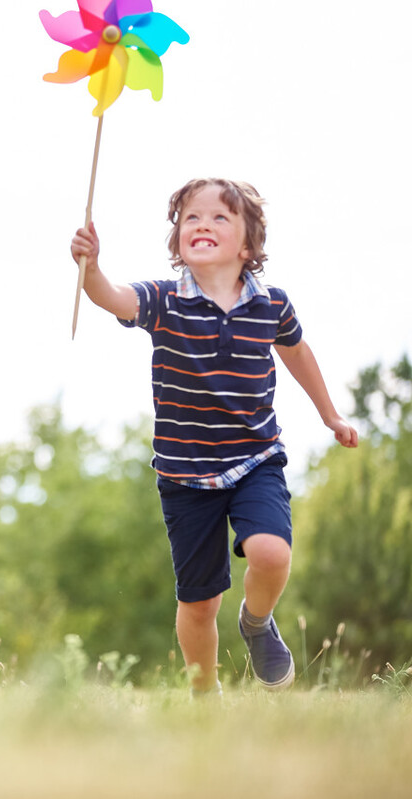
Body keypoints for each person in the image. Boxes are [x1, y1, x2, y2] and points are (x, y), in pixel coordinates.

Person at [70, 178, 358, 694]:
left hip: (255, 458)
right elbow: (110, 297)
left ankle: (257, 621)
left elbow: (297, 353)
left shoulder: (272, 304)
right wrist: (91, 267)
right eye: (191, 218)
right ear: (178, 238)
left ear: (248, 246)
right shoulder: (162, 300)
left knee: (271, 553)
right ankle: (205, 699)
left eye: (219, 217)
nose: (201, 224)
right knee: (199, 603)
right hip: (184, 472)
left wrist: (330, 416)